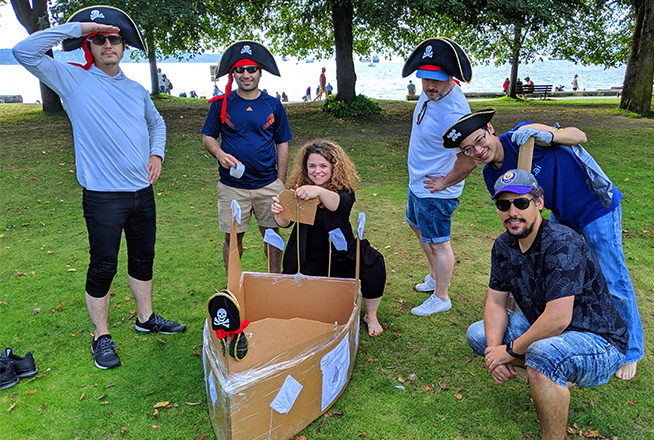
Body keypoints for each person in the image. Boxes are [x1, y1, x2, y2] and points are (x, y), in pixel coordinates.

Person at [13, 6, 186, 370]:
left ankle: (145, 319)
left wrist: (157, 154)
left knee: (143, 259)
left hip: (142, 192)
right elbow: (23, 51)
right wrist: (83, 26)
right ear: (89, 46)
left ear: (123, 47)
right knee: (103, 265)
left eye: (114, 39)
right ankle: (101, 335)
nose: (108, 44)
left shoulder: (136, 90)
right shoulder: (72, 79)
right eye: (100, 40)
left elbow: (157, 124)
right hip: (103, 196)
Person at [430, 109, 644, 380]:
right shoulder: (489, 175)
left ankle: (631, 351)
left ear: (491, 129)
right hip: (560, 215)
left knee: (613, 279)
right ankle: (566, 337)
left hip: (594, 207)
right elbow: (516, 211)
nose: (478, 150)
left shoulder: (522, 136)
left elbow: (579, 136)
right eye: (469, 149)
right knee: (566, 278)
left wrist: (549, 134)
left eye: (480, 140)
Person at [466, 169, 629, 440]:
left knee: (543, 353)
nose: (512, 212)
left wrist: (508, 351)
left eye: (521, 202)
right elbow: (495, 302)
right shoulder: (503, 246)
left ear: (539, 203)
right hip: (551, 332)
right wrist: (495, 351)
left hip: (600, 341)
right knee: (479, 335)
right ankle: (546, 376)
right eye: (503, 205)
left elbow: (558, 319)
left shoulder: (562, 244)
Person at [271, 140, 386, 336]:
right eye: (312, 166)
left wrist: (318, 191)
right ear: (305, 168)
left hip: (341, 252)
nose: (317, 171)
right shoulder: (298, 189)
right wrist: (278, 211)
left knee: (374, 265)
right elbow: (284, 223)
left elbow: (339, 205)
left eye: (324, 165)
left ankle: (371, 315)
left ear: (334, 167)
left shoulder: (344, 189)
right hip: (306, 253)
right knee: (308, 310)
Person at [202, 40, 292, 274]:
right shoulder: (221, 104)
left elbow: (282, 143)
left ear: (260, 72)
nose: (246, 74)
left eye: (251, 69)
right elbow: (208, 137)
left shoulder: (273, 105)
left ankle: (275, 281)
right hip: (232, 187)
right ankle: (233, 285)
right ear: (233, 73)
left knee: (271, 236)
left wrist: (280, 182)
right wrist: (219, 153)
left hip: (268, 185)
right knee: (233, 238)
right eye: (240, 70)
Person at [400, 37, 472, 316]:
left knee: (438, 241)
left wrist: (443, 183)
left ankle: (442, 296)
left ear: (451, 79)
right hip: (418, 182)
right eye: (424, 79)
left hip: (435, 190)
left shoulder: (455, 113)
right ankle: (434, 277)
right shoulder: (431, 93)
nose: (429, 86)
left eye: (436, 80)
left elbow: (468, 160)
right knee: (416, 227)